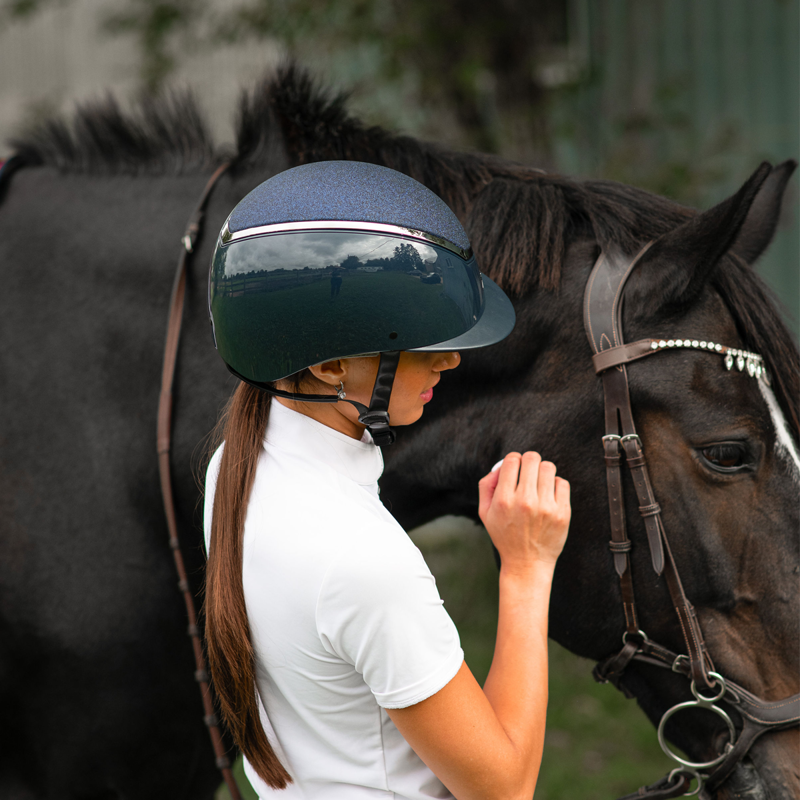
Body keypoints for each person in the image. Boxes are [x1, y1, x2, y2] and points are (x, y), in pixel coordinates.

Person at [203, 161, 571, 800]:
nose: (450, 359)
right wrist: (525, 568)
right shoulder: (363, 563)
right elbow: (503, 787)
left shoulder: (235, 463)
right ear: (329, 368)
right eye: (420, 343)